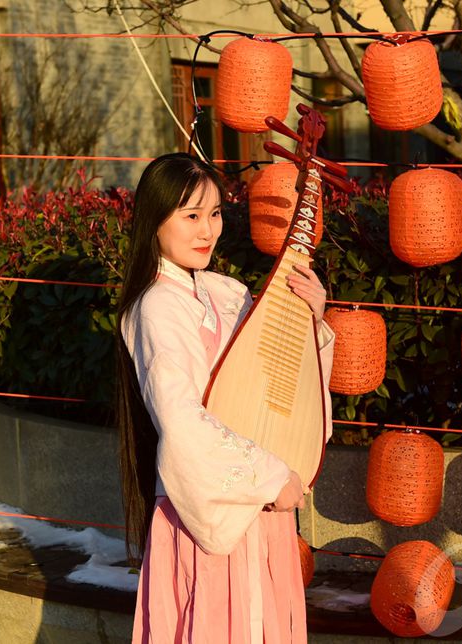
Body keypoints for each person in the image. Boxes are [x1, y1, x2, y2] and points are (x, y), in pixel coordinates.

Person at [114, 153, 335, 643]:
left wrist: (313, 322)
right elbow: (181, 420)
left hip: (261, 509)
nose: (207, 230)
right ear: (155, 221)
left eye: (214, 213)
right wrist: (271, 475)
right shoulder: (156, 307)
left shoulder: (226, 292)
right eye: (190, 216)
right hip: (211, 513)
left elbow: (278, 380)